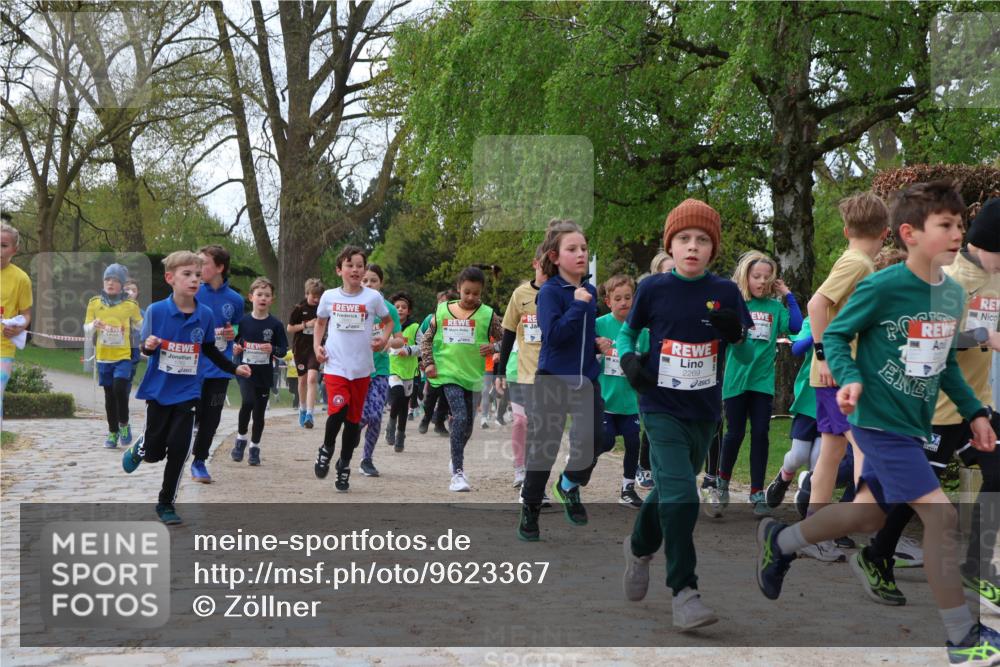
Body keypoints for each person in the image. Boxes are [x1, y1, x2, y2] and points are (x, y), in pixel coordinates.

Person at [755, 180, 1000, 664]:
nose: (957, 235)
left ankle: (780, 542)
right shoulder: (883, 286)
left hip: (913, 422)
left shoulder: (950, 295)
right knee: (942, 515)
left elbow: (947, 363)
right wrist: (845, 378)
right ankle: (962, 639)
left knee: (870, 514)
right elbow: (840, 332)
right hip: (878, 421)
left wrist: (974, 411)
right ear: (908, 233)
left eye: (960, 225)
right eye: (945, 226)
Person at [853, 197, 1000, 612]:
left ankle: (976, 566)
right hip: (934, 407)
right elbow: (934, 339)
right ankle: (876, 554)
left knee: (997, 475)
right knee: (911, 494)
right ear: (980, 242)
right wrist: (983, 336)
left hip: (977, 404)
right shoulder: (948, 275)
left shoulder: (996, 277)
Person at [618, 198, 753, 630]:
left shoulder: (726, 292)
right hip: (658, 406)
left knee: (670, 493)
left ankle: (638, 548)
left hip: (705, 412)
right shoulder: (653, 289)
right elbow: (627, 332)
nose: (692, 247)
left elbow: (746, 351)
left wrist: (736, 335)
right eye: (683, 239)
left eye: (701, 240)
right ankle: (685, 592)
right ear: (670, 247)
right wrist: (627, 360)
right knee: (683, 495)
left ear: (713, 249)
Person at [121, 251, 251, 525]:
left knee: (180, 448)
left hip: (189, 391)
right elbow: (144, 348)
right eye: (187, 274)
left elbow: (209, 350)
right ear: (170, 278)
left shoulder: (204, 314)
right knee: (156, 452)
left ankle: (166, 502)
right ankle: (143, 445)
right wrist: (149, 346)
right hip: (159, 390)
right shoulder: (156, 311)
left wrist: (233, 367)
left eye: (197, 275)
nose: (194, 280)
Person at [804, 192, 889, 555]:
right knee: (863, 447)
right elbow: (816, 303)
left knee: (833, 452)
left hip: (839, 373)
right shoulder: (856, 263)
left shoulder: (856, 262)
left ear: (845, 230)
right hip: (838, 373)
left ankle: (815, 531)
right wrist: (824, 357)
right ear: (886, 233)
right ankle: (867, 529)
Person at [517, 219, 606, 538]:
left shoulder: (590, 291)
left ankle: (568, 484)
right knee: (546, 448)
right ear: (555, 257)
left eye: (583, 248)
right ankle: (530, 507)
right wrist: (579, 307)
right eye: (572, 249)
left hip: (586, 379)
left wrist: (597, 342)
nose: (581, 253)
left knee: (598, 439)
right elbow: (553, 335)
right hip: (553, 379)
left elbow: (583, 333)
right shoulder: (551, 293)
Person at [716, 251, 802, 515]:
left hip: (762, 384)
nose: (762, 282)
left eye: (767, 277)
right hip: (736, 381)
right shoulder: (738, 304)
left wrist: (787, 295)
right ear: (746, 277)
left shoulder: (775, 309)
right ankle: (722, 484)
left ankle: (756, 493)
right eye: (757, 277)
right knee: (735, 432)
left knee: (761, 435)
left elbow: (797, 326)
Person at [312, 246, 393, 492]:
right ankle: (326, 448)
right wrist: (317, 346)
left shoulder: (372, 298)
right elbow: (320, 322)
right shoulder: (329, 296)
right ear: (339, 270)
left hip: (361, 369)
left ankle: (344, 464)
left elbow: (388, 321)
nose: (355, 270)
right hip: (335, 365)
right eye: (350, 265)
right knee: (338, 409)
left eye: (359, 265)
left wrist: (383, 339)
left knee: (352, 420)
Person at [420, 266, 503, 492]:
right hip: (448, 374)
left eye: (476, 293)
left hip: (474, 377)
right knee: (459, 415)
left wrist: (494, 346)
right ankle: (458, 473)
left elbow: (507, 339)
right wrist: (428, 363)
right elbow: (426, 340)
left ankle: (455, 456)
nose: (471, 297)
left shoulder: (488, 314)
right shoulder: (442, 311)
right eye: (467, 292)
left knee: (467, 427)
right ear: (458, 289)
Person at [189, 244, 244, 483]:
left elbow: (241, 328)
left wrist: (236, 335)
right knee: (192, 415)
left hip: (220, 370)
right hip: (192, 368)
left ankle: (199, 461)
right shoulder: (193, 293)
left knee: (212, 418)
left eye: (204, 264)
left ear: (220, 267)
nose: (199, 269)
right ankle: (181, 444)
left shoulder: (235, 300)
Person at [595, 274, 649, 508]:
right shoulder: (600, 324)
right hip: (604, 399)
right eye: (618, 298)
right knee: (605, 442)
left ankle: (627, 488)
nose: (624, 302)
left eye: (628, 297)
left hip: (629, 401)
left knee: (632, 442)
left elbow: (647, 361)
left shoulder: (642, 331)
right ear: (608, 301)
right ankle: (582, 459)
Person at [496, 246, 547, 488]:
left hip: (547, 372)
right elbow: (507, 333)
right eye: (544, 263)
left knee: (540, 425)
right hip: (519, 370)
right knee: (520, 421)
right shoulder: (520, 294)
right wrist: (500, 370)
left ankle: (535, 472)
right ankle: (519, 468)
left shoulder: (560, 293)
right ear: (534, 263)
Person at [84, 263, 143, 448]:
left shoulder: (130, 305)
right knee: (109, 395)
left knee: (119, 388)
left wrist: (140, 328)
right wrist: (94, 324)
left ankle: (124, 424)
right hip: (103, 357)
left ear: (122, 284)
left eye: (115, 280)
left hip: (123, 356)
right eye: (107, 279)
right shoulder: (94, 302)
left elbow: (141, 325)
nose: (110, 283)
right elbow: (86, 329)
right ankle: (112, 432)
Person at [231, 277, 288, 466]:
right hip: (246, 370)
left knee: (259, 413)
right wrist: (237, 348)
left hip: (264, 374)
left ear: (272, 299)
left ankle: (254, 447)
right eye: (259, 294)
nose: (263, 298)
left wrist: (273, 349)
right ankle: (240, 440)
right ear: (251, 297)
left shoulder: (275, 325)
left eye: (267, 295)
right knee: (247, 402)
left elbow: (282, 350)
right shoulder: (243, 321)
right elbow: (236, 342)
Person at [357, 264, 403, 477]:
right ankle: (353, 432)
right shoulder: (352, 305)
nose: (368, 284)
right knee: (360, 413)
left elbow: (400, 340)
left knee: (375, 414)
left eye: (373, 280)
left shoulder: (388, 309)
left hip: (380, 369)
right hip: (356, 368)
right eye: (365, 280)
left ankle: (367, 459)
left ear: (381, 283)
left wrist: (388, 342)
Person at [637, 253, 674, 489]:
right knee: (655, 419)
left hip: (678, 369)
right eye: (667, 271)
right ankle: (645, 466)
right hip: (653, 367)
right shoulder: (649, 297)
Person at [0, 220, 32, 415]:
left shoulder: (21, 279)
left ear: (15, 249)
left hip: (3, 348)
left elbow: (26, 314)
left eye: (4, 246)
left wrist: (19, 327)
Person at [417, 290, 457, 436]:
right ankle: (426, 418)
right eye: (440, 302)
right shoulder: (430, 319)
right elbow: (420, 338)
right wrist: (422, 360)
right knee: (433, 393)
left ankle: (439, 422)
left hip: (451, 362)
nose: (442, 305)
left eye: (446, 303)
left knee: (447, 395)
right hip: (433, 361)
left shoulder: (456, 320)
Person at [386, 290, 420, 453]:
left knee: (404, 404)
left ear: (409, 310)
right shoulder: (387, 325)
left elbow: (422, 347)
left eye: (403, 307)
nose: (400, 309)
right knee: (398, 395)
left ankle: (401, 434)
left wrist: (408, 350)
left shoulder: (414, 327)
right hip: (392, 368)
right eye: (397, 307)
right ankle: (391, 424)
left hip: (408, 371)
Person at [287, 278, 324, 429]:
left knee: (313, 378)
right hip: (300, 348)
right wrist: (306, 325)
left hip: (315, 348)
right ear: (307, 293)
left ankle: (310, 413)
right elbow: (289, 328)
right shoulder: (298, 308)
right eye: (313, 296)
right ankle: (302, 409)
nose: (316, 299)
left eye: (318, 296)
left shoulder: (322, 309)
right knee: (302, 381)